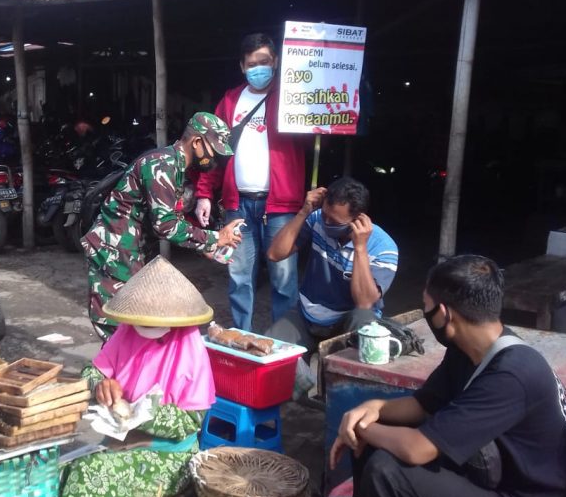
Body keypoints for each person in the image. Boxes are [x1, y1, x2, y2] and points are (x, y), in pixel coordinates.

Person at [330, 255, 566, 497]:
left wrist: (364, 430)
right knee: (383, 443)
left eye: (426, 308)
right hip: (504, 490)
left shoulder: (512, 373)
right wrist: (373, 408)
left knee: (390, 471)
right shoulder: (469, 351)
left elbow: (417, 450)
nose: (425, 315)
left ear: (445, 314)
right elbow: (423, 405)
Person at [60, 256, 217, 497]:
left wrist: (140, 412)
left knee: (85, 471)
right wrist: (100, 386)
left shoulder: (190, 350)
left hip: (170, 458)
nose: (145, 333)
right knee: (60, 489)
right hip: (122, 444)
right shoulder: (127, 332)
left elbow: (190, 423)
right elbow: (91, 372)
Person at [82, 111, 245, 340]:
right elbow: (165, 226)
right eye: (213, 151)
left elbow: (171, 218)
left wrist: (204, 247)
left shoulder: (175, 167)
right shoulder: (162, 164)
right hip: (113, 248)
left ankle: (123, 373)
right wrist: (214, 238)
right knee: (117, 327)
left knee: (130, 325)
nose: (215, 160)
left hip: (127, 247)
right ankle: (101, 374)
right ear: (197, 142)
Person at [194, 32, 307, 332]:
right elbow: (214, 152)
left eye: (265, 62)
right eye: (253, 64)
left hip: (281, 207)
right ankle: (241, 340)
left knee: (284, 280)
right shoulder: (231, 101)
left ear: (276, 61)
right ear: (242, 67)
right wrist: (204, 194)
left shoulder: (294, 99)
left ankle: (284, 345)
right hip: (238, 205)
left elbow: (317, 127)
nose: (260, 69)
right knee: (239, 277)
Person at [267, 177, 399, 352]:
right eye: (325, 215)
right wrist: (303, 212)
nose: (326, 223)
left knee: (363, 317)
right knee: (271, 352)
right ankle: (304, 379)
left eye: (335, 222)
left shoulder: (384, 248)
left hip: (347, 322)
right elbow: (275, 253)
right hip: (307, 315)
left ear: (358, 219)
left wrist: (360, 247)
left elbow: (364, 302)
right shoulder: (316, 219)